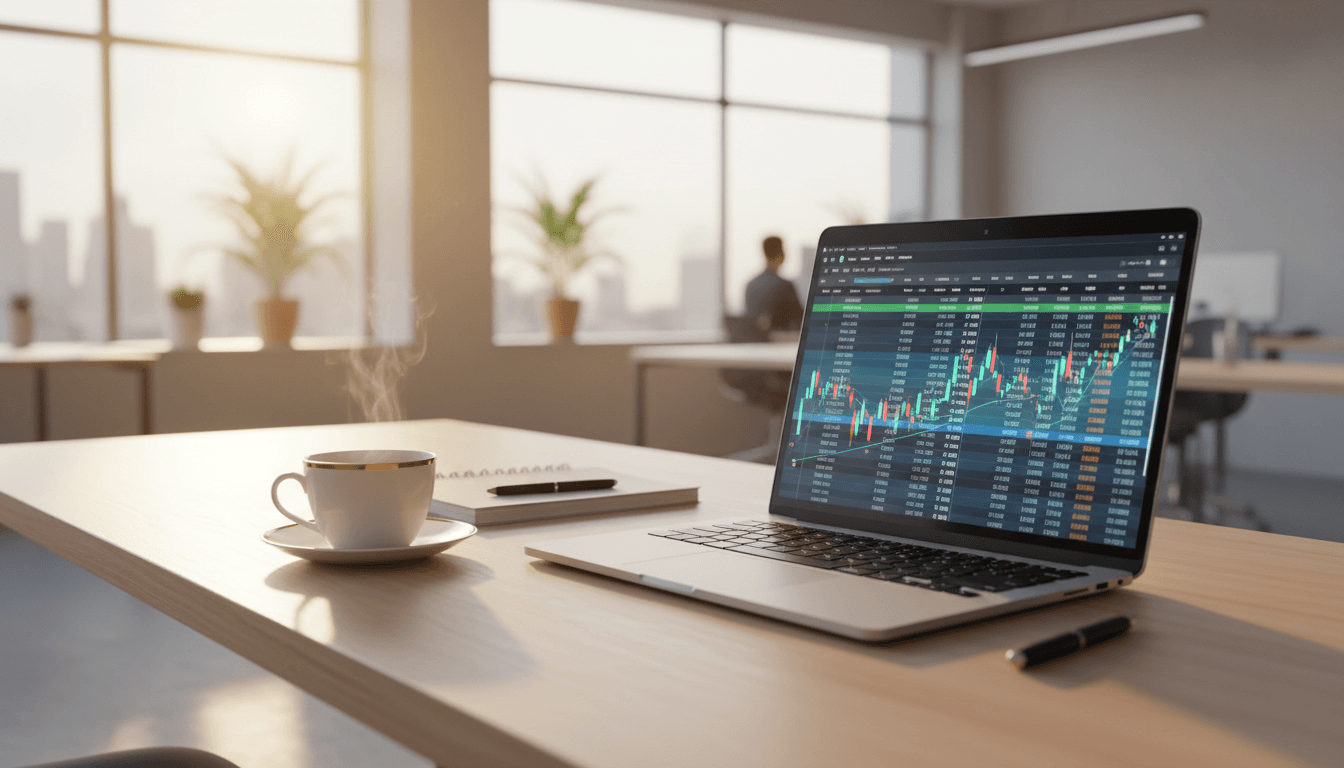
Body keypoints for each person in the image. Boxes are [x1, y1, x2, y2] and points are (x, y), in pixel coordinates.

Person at [744, 235, 804, 332]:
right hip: (780, 338)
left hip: (756, 340)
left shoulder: (751, 285)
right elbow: (801, 318)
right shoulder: (784, 286)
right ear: (782, 255)